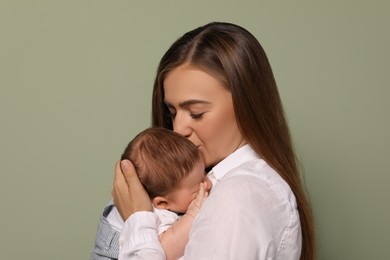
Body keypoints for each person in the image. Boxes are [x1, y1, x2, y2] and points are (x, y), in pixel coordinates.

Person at [109, 21, 315, 260]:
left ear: (246, 105)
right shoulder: (201, 184)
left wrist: (137, 220)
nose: (177, 130)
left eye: (196, 113)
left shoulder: (236, 198)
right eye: (172, 113)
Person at [91, 127, 211, 260]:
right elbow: (166, 251)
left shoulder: (156, 197)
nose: (208, 183)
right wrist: (192, 216)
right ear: (162, 203)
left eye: (204, 172)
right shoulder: (159, 215)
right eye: (197, 187)